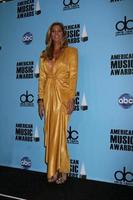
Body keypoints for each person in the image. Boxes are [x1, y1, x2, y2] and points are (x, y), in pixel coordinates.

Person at [38, 22, 78, 184]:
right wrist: (40, 100)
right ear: (50, 34)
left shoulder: (71, 52)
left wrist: (70, 99)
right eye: (53, 31)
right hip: (48, 95)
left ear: (63, 34)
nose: (56, 34)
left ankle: (62, 171)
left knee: (60, 134)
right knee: (50, 132)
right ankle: (52, 170)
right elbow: (42, 79)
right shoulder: (44, 54)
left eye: (59, 31)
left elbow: (73, 77)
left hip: (62, 96)